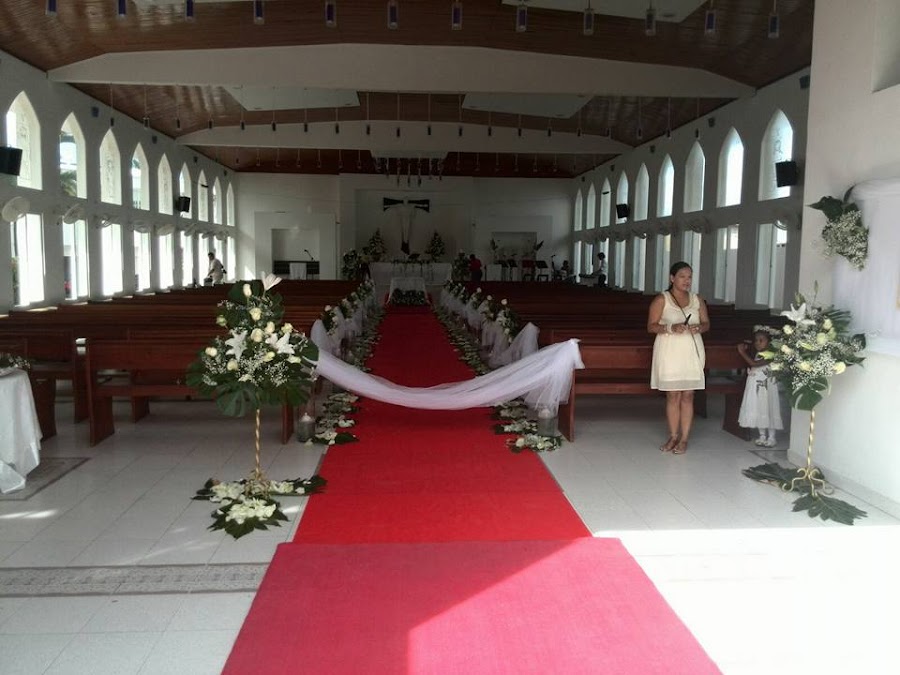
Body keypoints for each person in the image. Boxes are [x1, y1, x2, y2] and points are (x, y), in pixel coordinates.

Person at [647, 261, 710, 455]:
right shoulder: (662, 299)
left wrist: (699, 327)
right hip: (669, 351)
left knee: (688, 395)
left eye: (689, 277)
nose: (686, 280)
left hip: (691, 350)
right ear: (672, 278)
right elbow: (651, 326)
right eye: (682, 276)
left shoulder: (697, 299)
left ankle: (684, 439)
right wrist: (671, 327)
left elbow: (706, 323)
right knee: (673, 395)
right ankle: (673, 436)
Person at [737, 326, 783, 447]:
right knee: (759, 408)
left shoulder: (770, 355)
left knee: (768, 408)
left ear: (769, 342)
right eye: (756, 340)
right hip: (756, 387)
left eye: (761, 340)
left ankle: (772, 437)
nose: (757, 343)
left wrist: (742, 352)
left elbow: (754, 364)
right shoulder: (758, 353)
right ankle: (762, 435)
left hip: (767, 389)